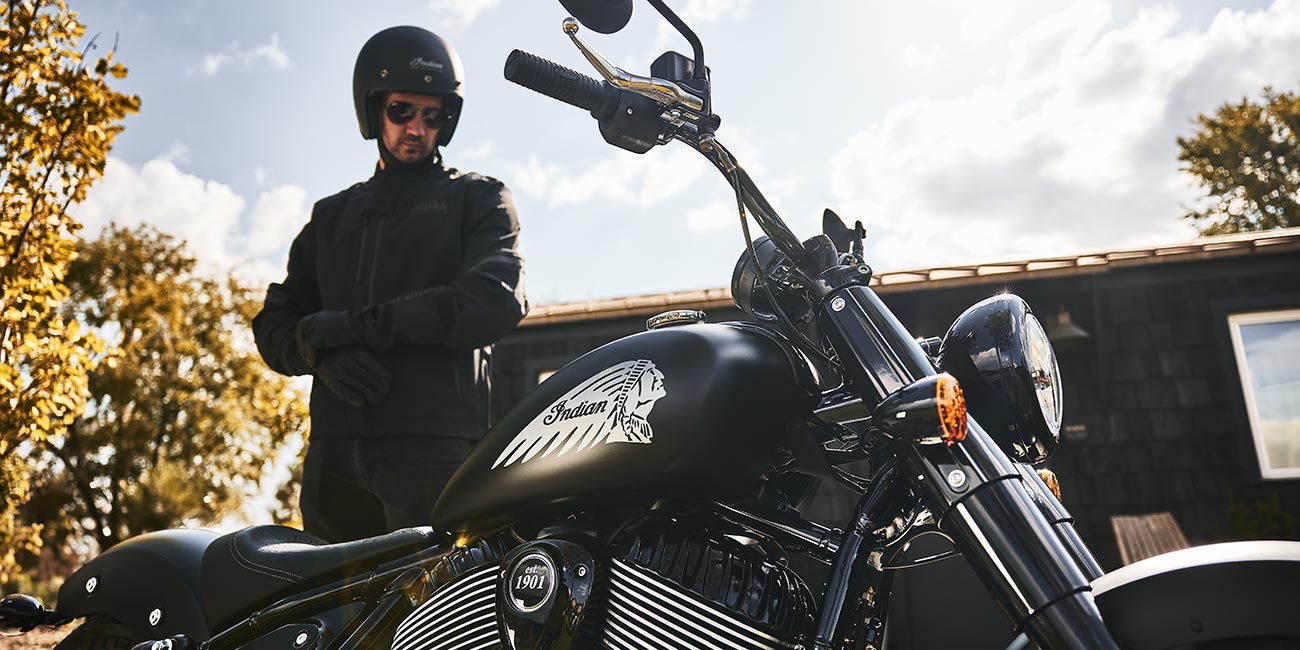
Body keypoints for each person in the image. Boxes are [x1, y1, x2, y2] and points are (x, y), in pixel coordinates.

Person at [252, 25, 527, 543]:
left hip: (435, 451)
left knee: (440, 592)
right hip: (333, 457)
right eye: (402, 111)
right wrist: (319, 353)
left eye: (432, 115)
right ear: (374, 110)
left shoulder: (479, 199)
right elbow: (275, 321)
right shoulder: (331, 217)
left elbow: (495, 298)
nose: (416, 128)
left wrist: (356, 327)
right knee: (331, 594)